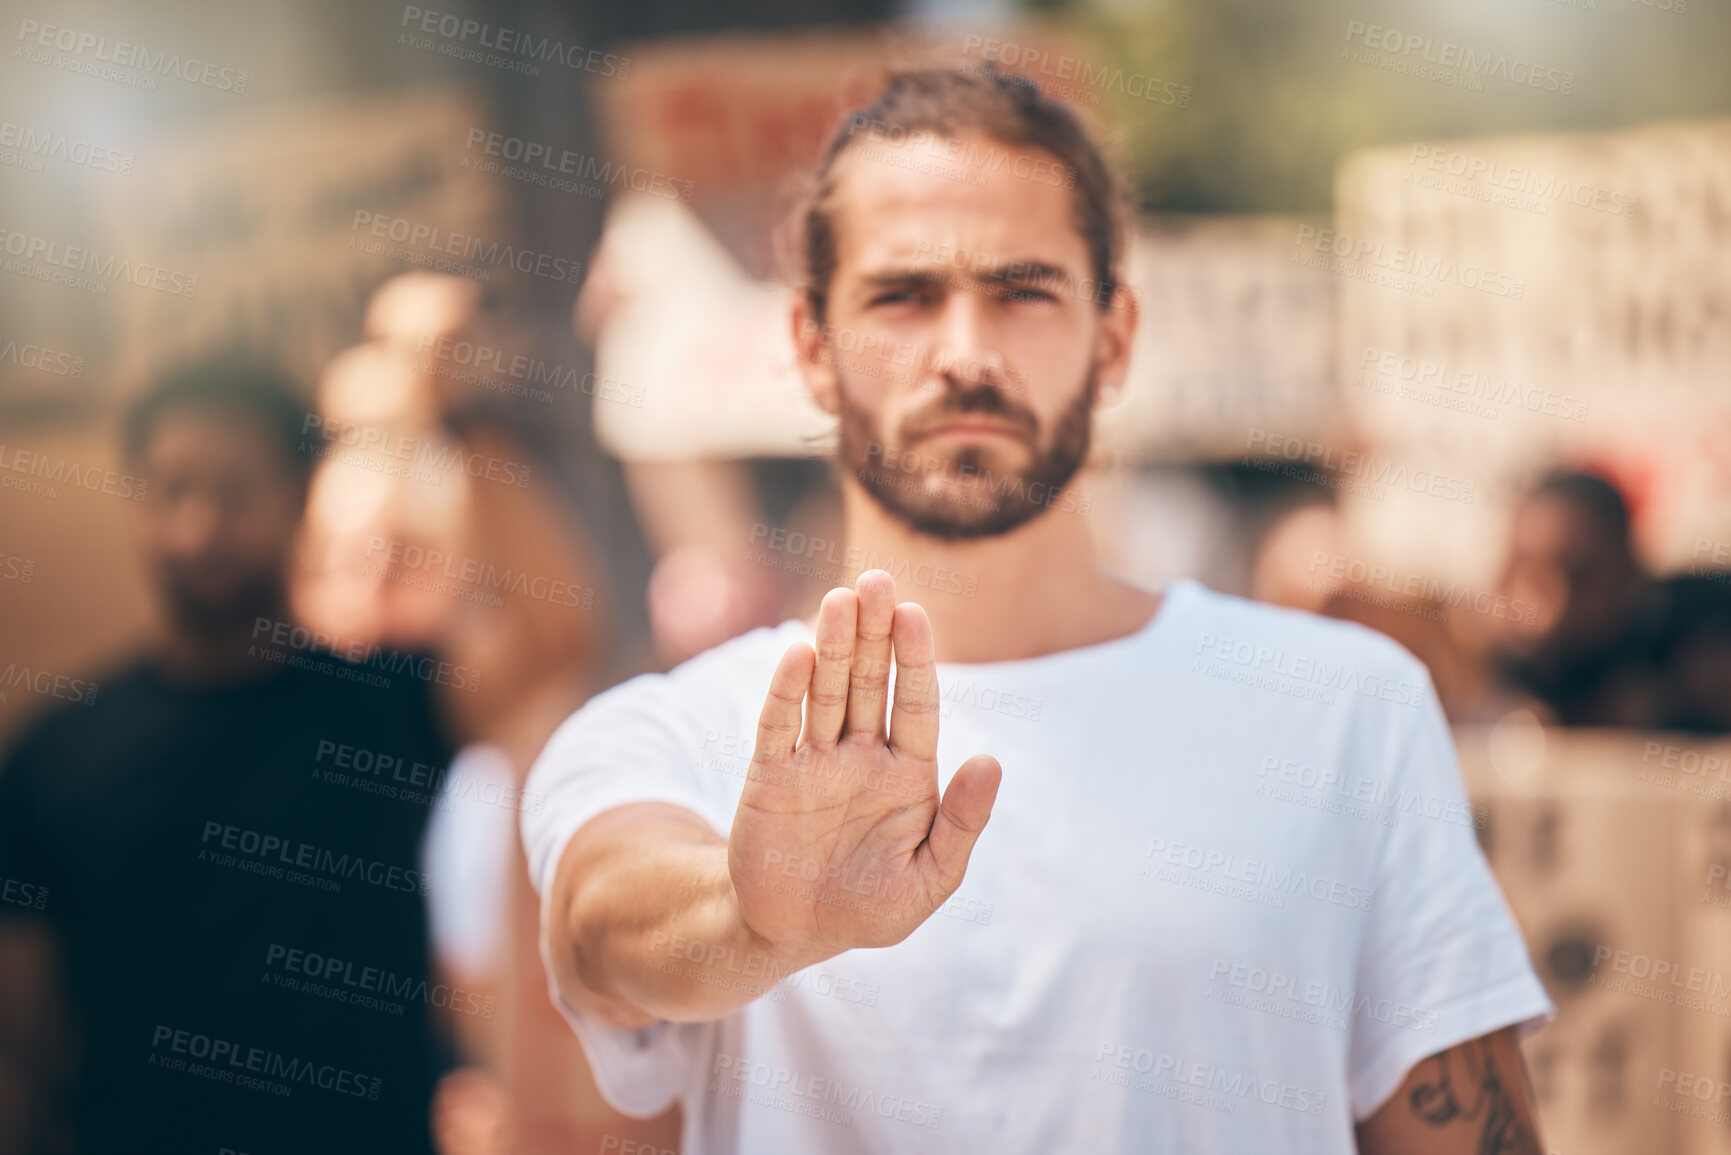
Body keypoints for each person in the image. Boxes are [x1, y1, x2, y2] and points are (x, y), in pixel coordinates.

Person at [522, 67, 1554, 1154]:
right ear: (811, 349)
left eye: (1023, 290)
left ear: (1113, 339)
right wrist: (754, 919)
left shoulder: (1349, 710)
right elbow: (602, 930)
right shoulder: (678, 731)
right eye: (902, 295)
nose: (965, 351)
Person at [0, 355, 458, 1154]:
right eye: (173, 488)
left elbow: (550, 640)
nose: (199, 527)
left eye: (235, 491)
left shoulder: (391, 705)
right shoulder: (54, 754)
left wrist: (464, 418)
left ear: (298, 495)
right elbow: (20, 1042)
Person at [1491, 468, 1731, 730]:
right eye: (1530, 573)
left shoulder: (1701, 626)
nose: (1555, 607)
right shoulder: (1503, 669)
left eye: (1582, 577)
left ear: (1628, 574)